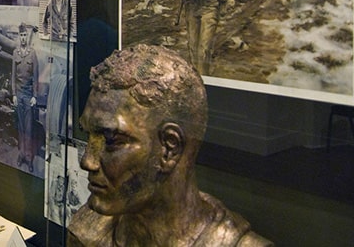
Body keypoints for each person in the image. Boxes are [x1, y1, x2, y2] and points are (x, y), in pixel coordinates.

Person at [67, 44, 273, 247]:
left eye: (112, 141)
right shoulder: (87, 232)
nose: (88, 161)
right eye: (89, 135)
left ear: (169, 149)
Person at [12, 22, 39, 172]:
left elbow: (35, 76)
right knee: (20, 127)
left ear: (27, 37)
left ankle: (29, 158)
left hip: (28, 96)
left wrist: (35, 95)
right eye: (21, 35)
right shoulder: (15, 54)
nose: (23, 38)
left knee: (28, 129)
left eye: (24, 35)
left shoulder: (32, 53)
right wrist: (14, 94)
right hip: (19, 95)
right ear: (18, 37)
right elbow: (13, 75)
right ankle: (21, 154)